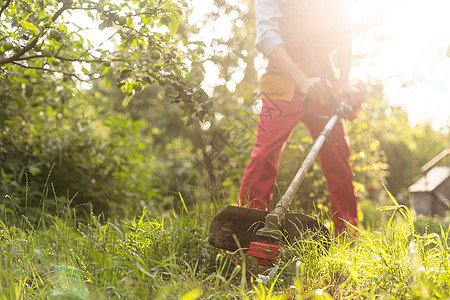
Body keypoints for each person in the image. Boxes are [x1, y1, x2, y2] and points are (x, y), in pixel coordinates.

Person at [238, 0, 365, 234]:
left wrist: (344, 83)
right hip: (283, 79)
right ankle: (247, 228)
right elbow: (267, 38)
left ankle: (348, 233)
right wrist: (302, 80)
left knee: (338, 159)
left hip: (323, 81)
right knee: (264, 154)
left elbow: (343, 34)